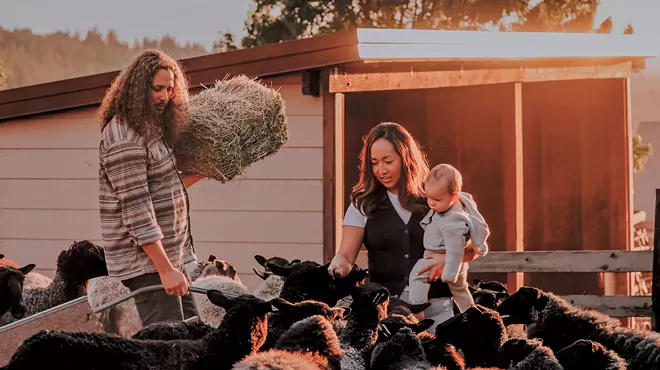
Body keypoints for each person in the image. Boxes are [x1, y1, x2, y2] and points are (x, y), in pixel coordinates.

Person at [327, 122, 481, 332]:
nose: (381, 170)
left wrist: (447, 258)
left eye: (388, 161)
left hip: (437, 309)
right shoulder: (361, 204)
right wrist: (337, 267)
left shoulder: (436, 198)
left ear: (406, 158)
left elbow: (473, 249)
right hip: (389, 311)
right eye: (374, 163)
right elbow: (345, 255)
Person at [97, 50, 205, 326]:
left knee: (193, 335)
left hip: (169, 260)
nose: (164, 96)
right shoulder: (124, 139)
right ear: (136, 87)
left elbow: (164, 186)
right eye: (157, 88)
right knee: (168, 348)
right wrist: (166, 270)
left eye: (170, 89)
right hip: (149, 265)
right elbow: (137, 211)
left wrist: (209, 171)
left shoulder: (150, 129)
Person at [408, 163, 490, 318]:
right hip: (459, 264)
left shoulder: (452, 222)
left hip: (442, 256)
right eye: (428, 198)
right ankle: (471, 315)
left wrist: (449, 273)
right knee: (460, 289)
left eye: (437, 200)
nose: (431, 204)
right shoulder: (461, 202)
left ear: (454, 195)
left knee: (417, 275)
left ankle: (417, 312)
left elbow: (455, 250)